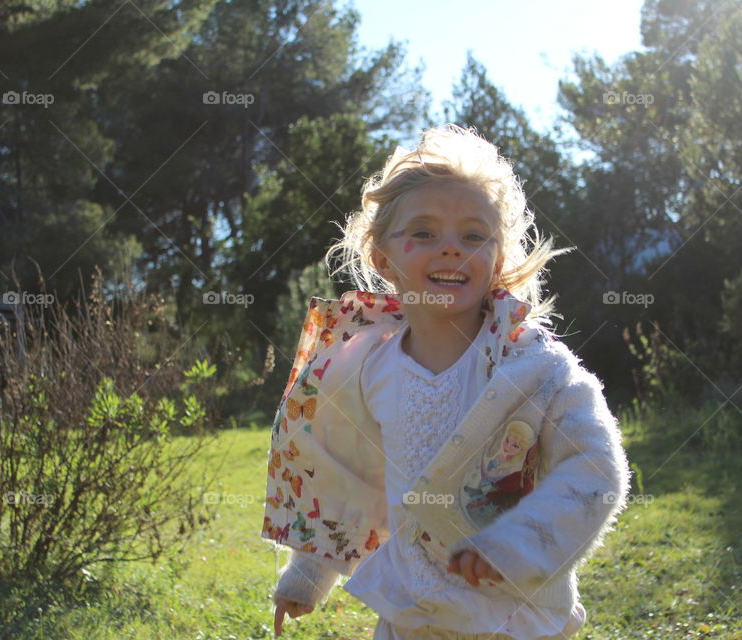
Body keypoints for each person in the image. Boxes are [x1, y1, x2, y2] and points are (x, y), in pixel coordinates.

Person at [262, 124, 630, 639]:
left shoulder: (535, 367)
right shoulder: (366, 367)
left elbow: (594, 470)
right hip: (412, 616)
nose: (452, 249)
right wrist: (307, 572)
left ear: (498, 258)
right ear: (382, 258)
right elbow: (349, 473)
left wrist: (516, 544)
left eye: (474, 236)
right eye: (424, 232)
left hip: (510, 618)